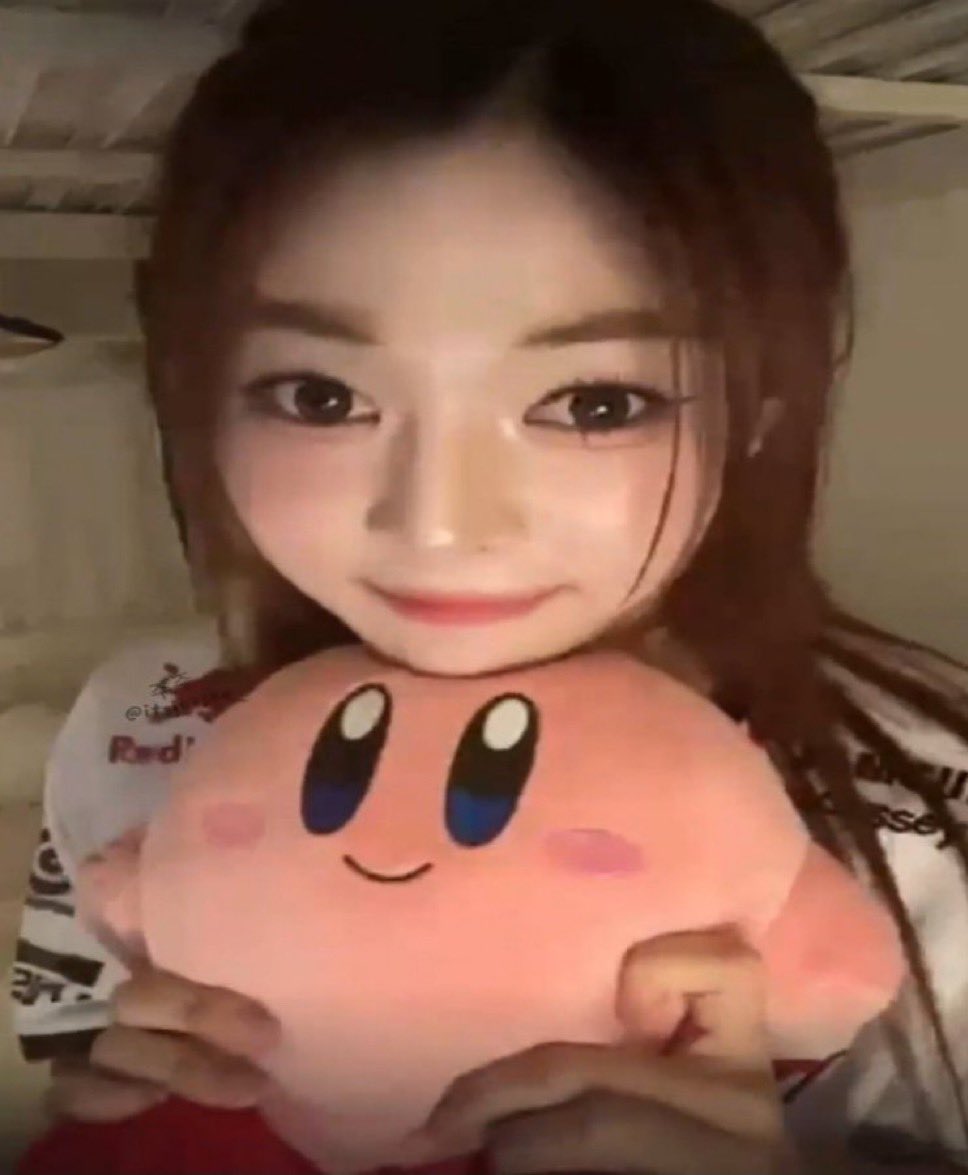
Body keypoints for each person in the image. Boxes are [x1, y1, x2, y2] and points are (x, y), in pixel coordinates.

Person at [12, 0, 968, 1171]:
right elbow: (69, 1039)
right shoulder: (139, 722)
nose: (441, 523)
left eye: (595, 402)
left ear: (760, 411)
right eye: (319, 395)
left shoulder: (930, 803)